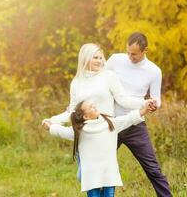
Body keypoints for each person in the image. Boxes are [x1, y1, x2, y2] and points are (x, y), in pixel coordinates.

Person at [42, 43, 156, 182]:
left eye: (101, 57)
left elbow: (123, 99)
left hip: (104, 131)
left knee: (103, 178)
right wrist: (53, 120)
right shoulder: (76, 82)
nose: (100, 61)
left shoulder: (108, 76)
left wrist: (143, 103)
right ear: (85, 58)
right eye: (95, 57)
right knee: (83, 177)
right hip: (85, 134)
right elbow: (72, 111)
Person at [106, 32, 172, 197]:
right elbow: (100, 80)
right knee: (103, 164)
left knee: (152, 168)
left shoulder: (154, 71)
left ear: (145, 50)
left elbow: (156, 98)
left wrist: (154, 104)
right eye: (128, 52)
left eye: (134, 54)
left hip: (135, 124)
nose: (130, 57)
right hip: (111, 123)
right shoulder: (115, 60)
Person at [43, 100, 151, 197]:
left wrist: (144, 110)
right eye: (90, 107)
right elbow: (62, 131)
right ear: (85, 116)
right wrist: (50, 126)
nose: (94, 106)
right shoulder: (80, 131)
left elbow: (129, 118)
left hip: (109, 173)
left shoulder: (110, 123)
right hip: (91, 176)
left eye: (94, 105)